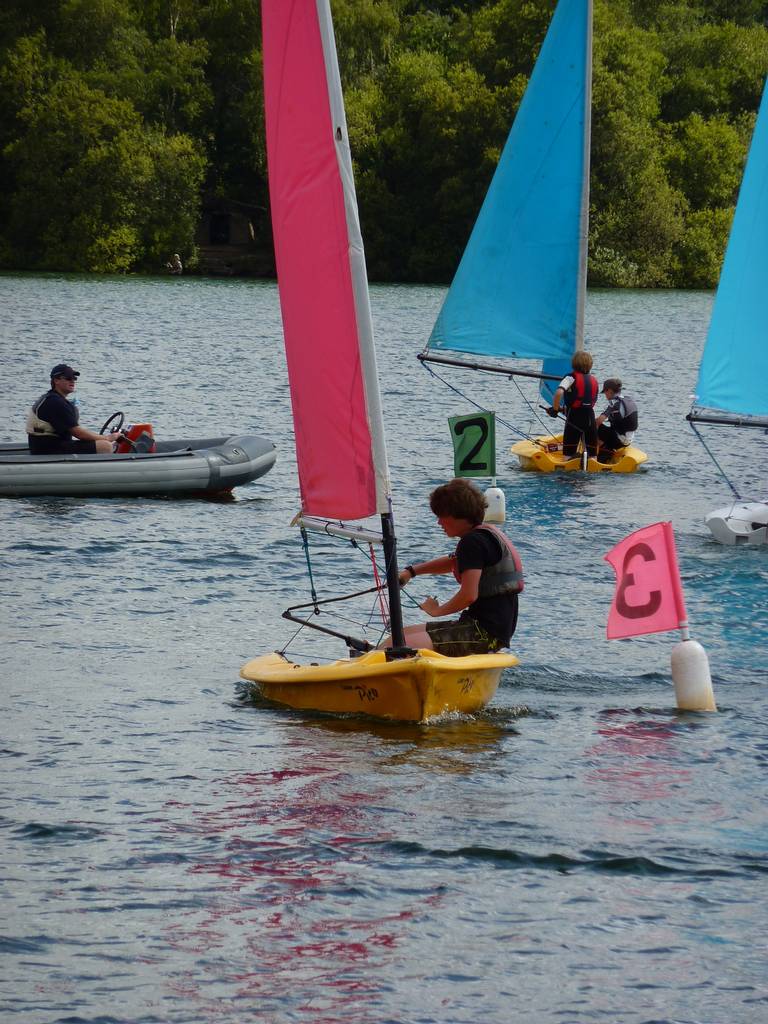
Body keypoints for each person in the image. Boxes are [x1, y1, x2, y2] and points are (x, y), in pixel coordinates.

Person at [393, 478, 523, 656]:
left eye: (441, 516)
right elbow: (453, 561)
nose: (439, 523)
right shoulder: (484, 535)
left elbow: (468, 596)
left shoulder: (472, 542)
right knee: (399, 636)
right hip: (485, 629)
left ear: (458, 515)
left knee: (399, 646)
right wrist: (411, 572)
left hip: (483, 635)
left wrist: (436, 611)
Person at [26, 364, 124, 455]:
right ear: (56, 380)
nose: (72, 381)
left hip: (43, 446)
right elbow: (79, 434)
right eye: (68, 378)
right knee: (105, 446)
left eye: (74, 378)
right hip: (48, 449)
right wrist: (107, 438)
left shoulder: (51, 398)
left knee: (100, 442)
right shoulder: (55, 402)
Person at [546, 350, 599, 459]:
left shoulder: (570, 378)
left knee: (568, 454)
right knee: (592, 455)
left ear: (574, 363)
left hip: (574, 418)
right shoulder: (594, 379)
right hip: (590, 418)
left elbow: (559, 393)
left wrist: (555, 410)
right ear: (590, 365)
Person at [596, 378, 638, 460]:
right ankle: (606, 448)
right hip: (628, 440)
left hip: (619, 440)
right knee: (600, 428)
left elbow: (599, 421)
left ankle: (604, 452)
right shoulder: (628, 399)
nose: (605, 394)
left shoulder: (614, 403)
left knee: (590, 426)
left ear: (610, 391)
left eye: (605, 392)